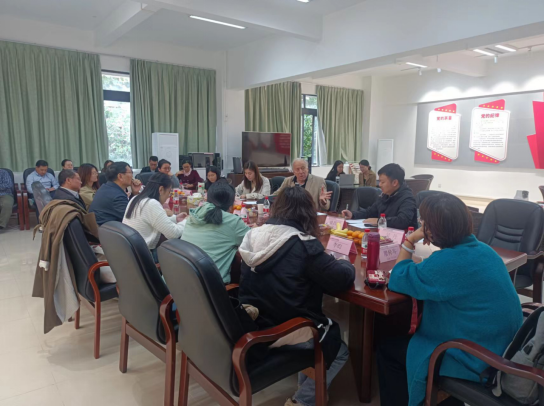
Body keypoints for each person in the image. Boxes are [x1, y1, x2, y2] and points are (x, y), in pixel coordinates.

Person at [377, 193, 523, 406]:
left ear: (432, 230)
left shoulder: (448, 262)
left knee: (387, 350)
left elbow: (397, 278)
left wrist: (410, 240)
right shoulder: (484, 250)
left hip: (478, 359)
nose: (422, 224)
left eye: (424, 222)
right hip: (503, 346)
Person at [238, 186, 355, 406]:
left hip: (253, 321)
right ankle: (303, 400)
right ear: (307, 214)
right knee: (338, 349)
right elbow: (341, 279)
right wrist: (345, 263)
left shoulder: (252, 235)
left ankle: (309, 389)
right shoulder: (303, 244)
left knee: (308, 319)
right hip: (287, 328)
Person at [181, 180, 249, 283]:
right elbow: (254, 241)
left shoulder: (194, 215)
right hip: (206, 288)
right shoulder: (233, 222)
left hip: (175, 284)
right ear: (231, 204)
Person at [123, 173, 187, 262]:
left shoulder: (136, 198)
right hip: (145, 256)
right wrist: (186, 221)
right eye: (169, 192)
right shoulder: (152, 204)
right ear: (161, 189)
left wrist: (175, 219)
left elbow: (154, 220)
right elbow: (173, 234)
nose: (169, 196)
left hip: (131, 253)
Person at [342, 163, 417, 230]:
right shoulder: (385, 195)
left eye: (382, 182)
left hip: (403, 238)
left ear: (395, 182)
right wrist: (353, 214)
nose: (379, 185)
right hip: (383, 234)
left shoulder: (407, 198)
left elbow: (402, 221)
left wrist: (379, 221)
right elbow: (370, 212)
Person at [90, 162, 142, 226]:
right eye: (130, 172)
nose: (132, 176)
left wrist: (134, 193)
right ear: (120, 176)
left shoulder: (106, 187)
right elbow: (132, 218)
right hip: (109, 230)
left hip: (104, 228)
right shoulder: (117, 196)